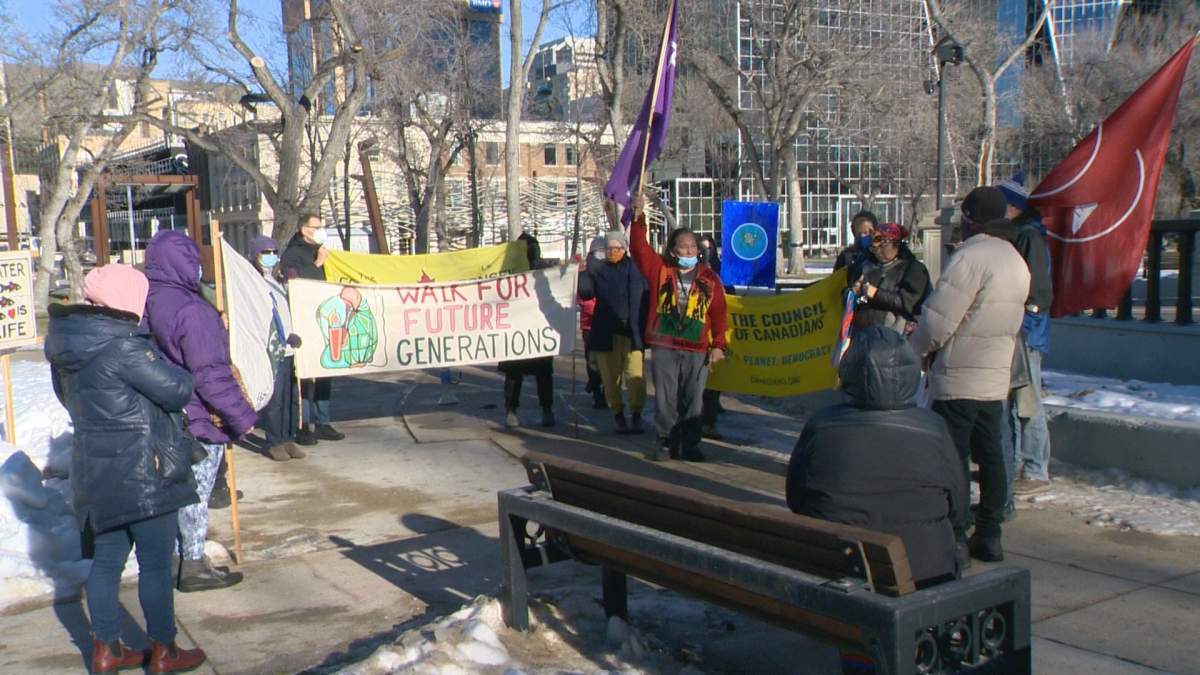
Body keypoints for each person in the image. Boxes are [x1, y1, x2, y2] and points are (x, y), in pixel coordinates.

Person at [46, 265, 207, 673]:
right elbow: (177, 390)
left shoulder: (68, 344)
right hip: (142, 472)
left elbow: (73, 402)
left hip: (96, 472)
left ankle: (106, 649)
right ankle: (165, 650)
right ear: (128, 300)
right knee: (155, 563)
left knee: (106, 563)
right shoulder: (125, 346)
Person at [787, 326, 965, 587]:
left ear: (849, 372)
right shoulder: (934, 429)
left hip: (838, 569)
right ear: (910, 373)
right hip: (924, 573)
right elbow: (958, 506)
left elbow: (797, 498)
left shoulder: (821, 426)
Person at [909, 187, 1030, 564]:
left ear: (973, 218)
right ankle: (990, 531)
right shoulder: (1014, 259)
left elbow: (938, 321)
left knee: (953, 458)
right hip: (995, 376)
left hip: (960, 374)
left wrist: (916, 351)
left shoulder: (971, 256)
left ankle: (956, 531)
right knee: (992, 455)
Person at [145, 230, 254, 592]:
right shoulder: (192, 310)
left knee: (177, 491)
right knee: (195, 493)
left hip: (163, 412)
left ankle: (181, 560)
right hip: (197, 416)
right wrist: (241, 416)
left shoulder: (148, 300)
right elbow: (210, 373)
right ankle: (193, 564)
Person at [628, 195, 728, 462]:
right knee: (665, 399)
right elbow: (638, 248)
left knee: (694, 401)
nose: (689, 251)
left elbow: (719, 313)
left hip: (697, 348)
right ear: (673, 250)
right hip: (666, 345)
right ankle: (665, 441)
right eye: (683, 247)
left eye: (693, 246)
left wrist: (718, 344)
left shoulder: (709, 278)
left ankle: (691, 444)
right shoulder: (660, 269)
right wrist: (639, 218)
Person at [997, 173, 1055, 499]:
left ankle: (1035, 468)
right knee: (1015, 401)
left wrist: (1024, 321)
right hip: (1017, 330)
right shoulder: (1019, 235)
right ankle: (1019, 463)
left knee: (1028, 403)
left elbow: (1038, 292)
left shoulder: (1029, 237)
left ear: (1014, 207)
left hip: (1027, 334)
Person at [280, 212, 344, 446]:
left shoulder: (322, 250)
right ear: (304, 229)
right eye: (316, 226)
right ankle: (304, 424)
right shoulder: (292, 254)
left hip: (324, 320)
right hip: (303, 321)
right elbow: (295, 284)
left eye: (322, 226)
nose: (320, 230)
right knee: (305, 375)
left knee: (325, 371)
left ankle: (323, 421)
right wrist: (317, 264)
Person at [579, 229, 648, 434]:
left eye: (616, 248)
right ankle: (618, 415)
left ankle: (636, 414)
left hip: (631, 333)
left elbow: (645, 294)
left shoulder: (635, 270)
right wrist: (585, 270)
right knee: (610, 380)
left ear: (624, 248)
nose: (612, 252)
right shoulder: (598, 271)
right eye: (609, 248)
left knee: (635, 377)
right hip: (606, 333)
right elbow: (586, 291)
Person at [251, 236, 305, 463]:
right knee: (275, 399)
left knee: (291, 397)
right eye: (266, 252)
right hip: (272, 349)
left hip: (290, 349)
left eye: (274, 251)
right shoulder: (253, 283)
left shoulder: (278, 281)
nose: (271, 256)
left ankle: (288, 436)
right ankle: (274, 441)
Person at [500, 232, 556, 428]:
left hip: (538, 330)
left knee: (543, 374)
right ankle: (512, 409)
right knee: (514, 375)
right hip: (516, 330)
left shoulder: (544, 273)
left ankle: (546, 409)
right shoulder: (509, 272)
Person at [851, 222, 931, 335]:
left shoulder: (913, 269)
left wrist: (876, 293)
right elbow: (848, 299)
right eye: (874, 244)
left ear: (895, 244)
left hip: (896, 337)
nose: (877, 250)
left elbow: (908, 303)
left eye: (882, 244)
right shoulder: (866, 267)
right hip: (864, 337)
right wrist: (853, 292)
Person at [698, 234, 725, 440]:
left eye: (709, 249)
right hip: (696, 334)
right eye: (702, 249)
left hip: (715, 333)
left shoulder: (722, 269)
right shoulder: (691, 273)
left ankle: (709, 420)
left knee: (713, 381)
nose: (705, 253)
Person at [580, 236, 607, 410]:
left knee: (607, 362)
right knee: (593, 361)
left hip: (608, 323)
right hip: (590, 324)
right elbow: (580, 297)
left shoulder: (611, 270)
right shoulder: (584, 274)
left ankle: (604, 391)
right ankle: (597, 390)